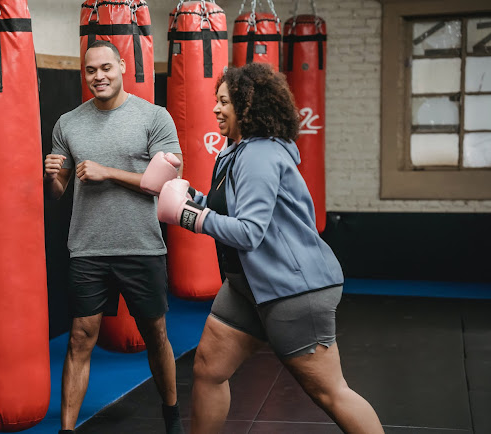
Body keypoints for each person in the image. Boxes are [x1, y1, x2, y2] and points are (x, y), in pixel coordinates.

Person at [157, 63, 384, 434]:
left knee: (330, 392)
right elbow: (229, 208)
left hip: (294, 289)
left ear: (249, 107)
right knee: (209, 370)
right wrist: (186, 194)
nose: (215, 108)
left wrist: (188, 217)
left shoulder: (260, 155)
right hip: (247, 285)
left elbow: (248, 232)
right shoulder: (235, 152)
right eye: (216, 100)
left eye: (224, 102)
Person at [44, 40, 185, 434]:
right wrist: (52, 176)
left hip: (141, 246)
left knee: (155, 335)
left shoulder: (153, 117)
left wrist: (110, 172)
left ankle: (171, 415)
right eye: (91, 71)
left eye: (106, 67)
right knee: (79, 339)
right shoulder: (68, 123)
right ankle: (67, 430)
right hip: (88, 248)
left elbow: (166, 184)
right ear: (83, 73)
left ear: (122, 65)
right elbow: (58, 193)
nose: (99, 77)